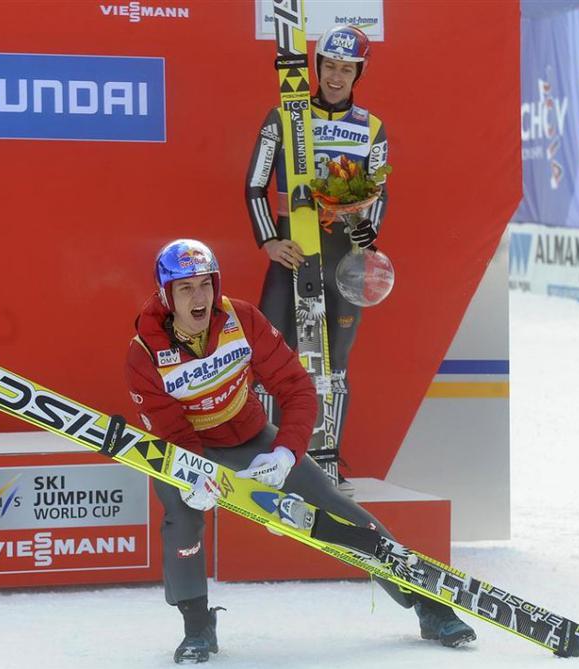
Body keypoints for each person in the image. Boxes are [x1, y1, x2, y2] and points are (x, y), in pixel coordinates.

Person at [125, 239, 475, 664]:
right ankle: (197, 626)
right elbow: (170, 427)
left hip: (252, 436)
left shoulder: (242, 318)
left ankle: (428, 606)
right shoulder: (143, 351)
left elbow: (296, 389)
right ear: (166, 295)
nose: (199, 298)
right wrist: (192, 475)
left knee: (332, 502)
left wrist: (287, 453)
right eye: (186, 289)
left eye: (206, 285)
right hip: (187, 448)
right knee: (182, 518)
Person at [244, 25, 389, 494]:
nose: (336, 76)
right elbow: (254, 187)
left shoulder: (371, 127)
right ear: (317, 67)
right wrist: (269, 240)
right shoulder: (283, 117)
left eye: (347, 68)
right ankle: (264, 456)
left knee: (335, 364)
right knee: (271, 358)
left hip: (342, 263)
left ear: (358, 73)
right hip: (290, 257)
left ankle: (326, 463)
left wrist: (368, 234)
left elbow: (379, 196)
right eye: (329, 66)